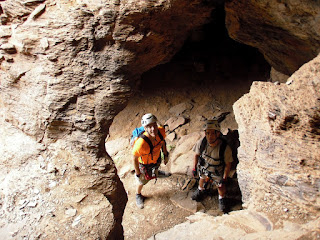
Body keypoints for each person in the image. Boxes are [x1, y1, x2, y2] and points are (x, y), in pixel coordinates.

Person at [191, 119, 233, 212]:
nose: (209, 136)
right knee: (201, 179)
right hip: (204, 168)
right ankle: (200, 190)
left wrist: (224, 178)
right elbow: (196, 155)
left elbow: (228, 164)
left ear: (218, 134)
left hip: (217, 171)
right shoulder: (202, 143)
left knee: (220, 187)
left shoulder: (224, 148)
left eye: (212, 133)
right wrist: (194, 168)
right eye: (207, 133)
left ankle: (222, 198)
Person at [132, 113, 170, 209]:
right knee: (142, 181)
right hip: (144, 164)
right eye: (149, 127)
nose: (153, 129)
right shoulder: (141, 143)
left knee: (155, 168)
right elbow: (134, 158)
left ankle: (156, 173)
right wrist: (138, 173)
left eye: (154, 125)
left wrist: (165, 154)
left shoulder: (161, 132)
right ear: (145, 128)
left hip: (155, 159)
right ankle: (138, 194)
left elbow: (162, 142)